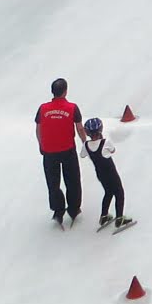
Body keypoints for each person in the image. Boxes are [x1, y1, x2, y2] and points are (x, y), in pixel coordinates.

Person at [35, 78, 85, 227]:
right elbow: (80, 128)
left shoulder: (43, 108)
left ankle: (58, 211)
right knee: (73, 180)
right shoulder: (72, 107)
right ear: (65, 91)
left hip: (49, 151)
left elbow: (38, 128)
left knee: (53, 183)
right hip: (68, 150)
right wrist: (85, 143)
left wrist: (41, 145)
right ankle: (74, 209)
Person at [81, 118, 134, 231]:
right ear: (101, 129)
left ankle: (104, 216)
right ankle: (120, 218)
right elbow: (113, 150)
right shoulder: (105, 142)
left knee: (108, 192)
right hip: (111, 173)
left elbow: (82, 155)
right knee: (119, 193)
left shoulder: (86, 145)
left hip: (100, 174)